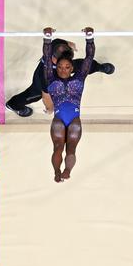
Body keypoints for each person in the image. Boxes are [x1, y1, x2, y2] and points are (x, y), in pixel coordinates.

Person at [5, 33, 114, 117]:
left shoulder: (57, 44)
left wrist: (70, 45)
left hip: (62, 67)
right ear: (53, 57)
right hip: (42, 84)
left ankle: (100, 67)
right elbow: (46, 97)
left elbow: (66, 44)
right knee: (31, 95)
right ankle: (13, 105)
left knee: (84, 64)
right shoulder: (45, 76)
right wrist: (50, 109)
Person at [44, 26, 95, 182]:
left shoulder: (79, 77)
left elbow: (89, 58)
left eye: (66, 67)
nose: (63, 70)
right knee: (58, 148)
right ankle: (56, 172)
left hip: (73, 119)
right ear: (55, 68)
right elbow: (46, 58)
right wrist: (47, 40)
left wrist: (90, 39)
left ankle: (67, 170)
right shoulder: (50, 77)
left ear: (72, 68)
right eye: (59, 67)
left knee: (71, 149)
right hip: (60, 118)